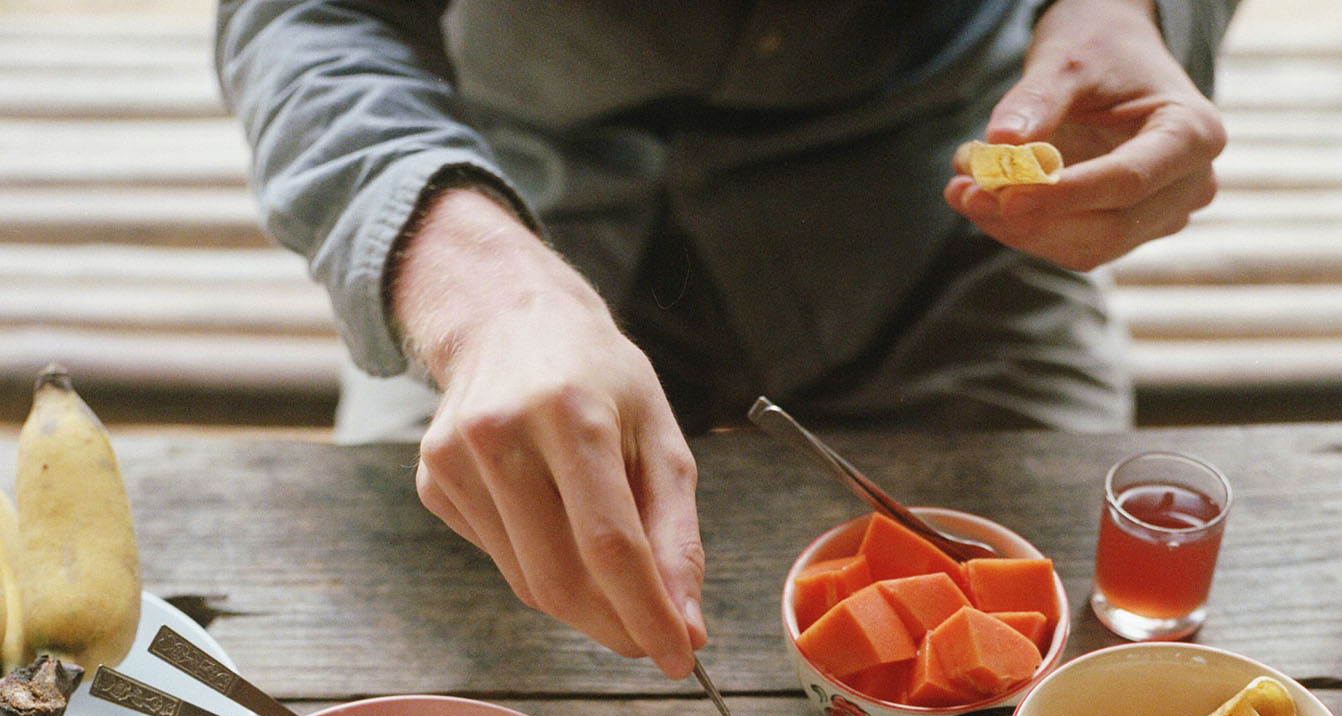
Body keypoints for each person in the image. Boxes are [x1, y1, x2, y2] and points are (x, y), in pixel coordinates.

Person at [216, 0, 1238, 680]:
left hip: (939, 229)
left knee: (1050, 673)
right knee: (405, 671)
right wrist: (476, 293)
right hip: (505, 198)